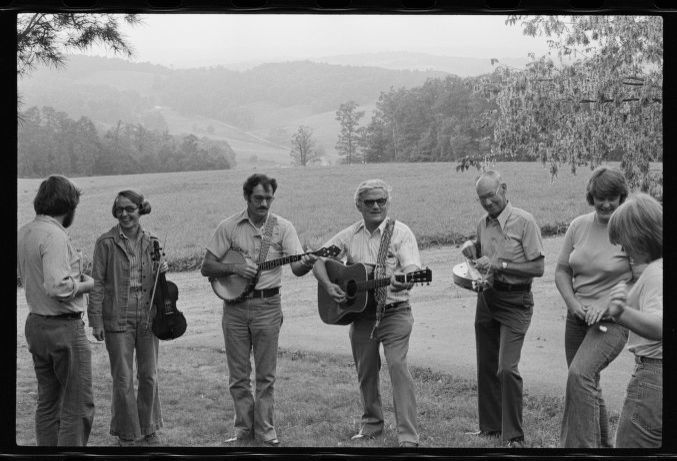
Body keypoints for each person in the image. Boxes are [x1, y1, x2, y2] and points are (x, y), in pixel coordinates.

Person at [200, 173, 317, 446]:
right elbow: (207, 267)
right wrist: (234, 267)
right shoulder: (228, 227)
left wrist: (308, 262)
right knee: (238, 375)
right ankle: (243, 429)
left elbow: (297, 268)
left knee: (266, 375)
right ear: (247, 197)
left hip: (268, 305)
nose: (264, 203)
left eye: (268, 198)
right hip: (234, 308)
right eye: (258, 198)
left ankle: (265, 431)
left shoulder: (283, 228)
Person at [312, 179, 421, 448]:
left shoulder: (400, 233)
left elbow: (412, 268)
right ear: (358, 205)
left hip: (395, 312)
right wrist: (329, 285)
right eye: (369, 201)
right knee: (366, 371)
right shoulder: (349, 235)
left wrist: (405, 279)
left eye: (381, 201)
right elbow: (319, 260)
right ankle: (372, 426)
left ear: (387, 203)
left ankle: (408, 436)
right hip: (361, 316)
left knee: (398, 367)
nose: (375, 206)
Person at [461, 170, 545, 448]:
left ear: (503, 189)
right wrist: (471, 248)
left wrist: (500, 266)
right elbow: (482, 248)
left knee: (506, 368)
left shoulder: (524, 221)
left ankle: (514, 436)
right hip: (487, 298)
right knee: (486, 365)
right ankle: (490, 428)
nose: (487, 203)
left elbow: (538, 268)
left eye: (491, 196)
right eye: (481, 198)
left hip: (516, 302)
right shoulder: (483, 223)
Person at [554, 167, 632, 448]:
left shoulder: (631, 231)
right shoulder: (578, 226)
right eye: (600, 197)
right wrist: (572, 303)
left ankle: (578, 450)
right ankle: (603, 448)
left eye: (613, 197)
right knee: (587, 384)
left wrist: (607, 305)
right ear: (591, 197)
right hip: (577, 318)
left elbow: (639, 283)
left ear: (622, 198)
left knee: (580, 375)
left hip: (613, 321)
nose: (606, 204)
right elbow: (562, 271)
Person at [17, 175, 95, 446]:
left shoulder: (25, 231)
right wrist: (87, 284)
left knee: (48, 403)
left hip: (36, 323)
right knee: (77, 405)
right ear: (69, 205)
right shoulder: (55, 235)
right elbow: (58, 287)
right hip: (63, 328)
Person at [88, 190, 168, 446]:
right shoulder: (105, 243)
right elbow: (97, 284)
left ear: (140, 210)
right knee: (122, 378)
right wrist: (96, 320)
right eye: (119, 209)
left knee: (149, 375)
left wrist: (161, 270)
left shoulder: (152, 240)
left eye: (129, 209)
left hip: (148, 315)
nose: (124, 214)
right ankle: (127, 433)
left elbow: (158, 284)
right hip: (117, 315)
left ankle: (149, 428)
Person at [586, 192, 662, 448]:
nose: (623, 249)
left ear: (640, 237)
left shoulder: (654, 273)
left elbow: (660, 326)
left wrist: (622, 312)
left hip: (652, 379)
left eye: (625, 242)